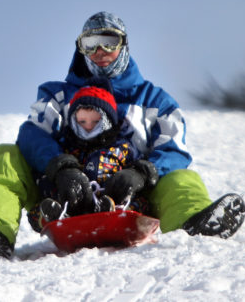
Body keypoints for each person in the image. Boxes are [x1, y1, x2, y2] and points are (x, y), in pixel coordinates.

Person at [0, 11, 245, 258]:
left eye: (108, 41)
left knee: (181, 177)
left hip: (132, 193)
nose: (100, 51)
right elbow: (32, 133)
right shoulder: (57, 95)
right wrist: (60, 167)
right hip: (61, 190)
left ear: (124, 44)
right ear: (79, 48)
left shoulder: (154, 100)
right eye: (90, 43)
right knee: (6, 154)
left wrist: (143, 172)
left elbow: (174, 148)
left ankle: (194, 226)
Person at [26, 78, 157, 231]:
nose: (88, 126)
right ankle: (54, 218)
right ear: (74, 120)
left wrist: (137, 173)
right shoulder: (67, 148)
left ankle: (122, 214)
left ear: (108, 121)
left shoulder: (122, 148)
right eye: (82, 121)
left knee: (139, 200)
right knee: (47, 200)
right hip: (75, 201)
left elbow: (139, 164)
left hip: (113, 198)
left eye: (95, 121)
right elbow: (49, 172)